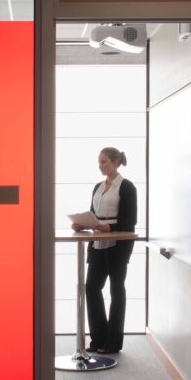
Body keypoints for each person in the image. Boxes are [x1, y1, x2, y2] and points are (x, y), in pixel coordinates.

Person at [71, 147, 137, 354]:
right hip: (97, 243)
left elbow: (130, 221)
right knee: (91, 288)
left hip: (118, 244)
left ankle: (114, 342)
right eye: (99, 162)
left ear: (116, 162)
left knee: (116, 290)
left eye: (104, 162)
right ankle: (99, 338)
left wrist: (108, 227)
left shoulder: (126, 187)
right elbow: (93, 215)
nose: (100, 166)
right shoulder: (98, 187)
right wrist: (82, 224)